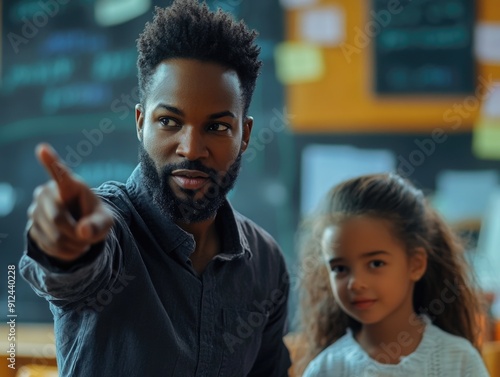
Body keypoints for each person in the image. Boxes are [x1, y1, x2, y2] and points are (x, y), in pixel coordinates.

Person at [19, 1, 291, 376]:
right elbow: (74, 271)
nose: (191, 148)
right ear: (140, 123)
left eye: (217, 127)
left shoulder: (265, 263)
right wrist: (65, 247)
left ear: (244, 135)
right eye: (169, 121)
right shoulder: (111, 229)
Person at [295, 173, 490, 377]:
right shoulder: (325, 369)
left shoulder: (459, 360)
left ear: (416, 264)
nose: (356, 283)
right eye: (340, 269)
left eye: (375, 263)